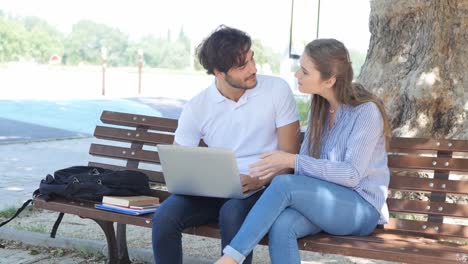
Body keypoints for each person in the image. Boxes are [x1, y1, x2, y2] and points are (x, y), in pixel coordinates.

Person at [215, 38, 391, 264]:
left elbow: (351, 175)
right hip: (324, 202)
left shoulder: (366, 112)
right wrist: (292, 165)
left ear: (329, 80)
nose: (297, 75)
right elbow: (305, 172)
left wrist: (291, 160)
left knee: (283, 184)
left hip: (361, 208)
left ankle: (229, 259)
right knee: (282, 226)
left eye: (305, 72)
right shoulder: (319, 108)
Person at [151, 25, 300, 264]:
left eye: (252, 59)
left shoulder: (276, 90)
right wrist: (200, 181)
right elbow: (178, 160)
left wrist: (259, 180)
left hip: (265, 187)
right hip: (215, 190)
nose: (253, 69)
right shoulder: (198, 107)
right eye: (242, 66)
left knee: (232, 213)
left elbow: (290, 157)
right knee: (165, 216)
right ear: (219, 72)